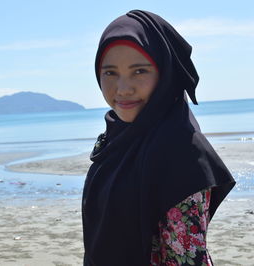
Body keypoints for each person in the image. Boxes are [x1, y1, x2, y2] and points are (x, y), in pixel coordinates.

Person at [82, 10, 236, 266]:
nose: (122, 88)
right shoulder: (115, 139)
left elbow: (186, 257)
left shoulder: (180, 149)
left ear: (166, 72)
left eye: (139, 71)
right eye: (110, 73)